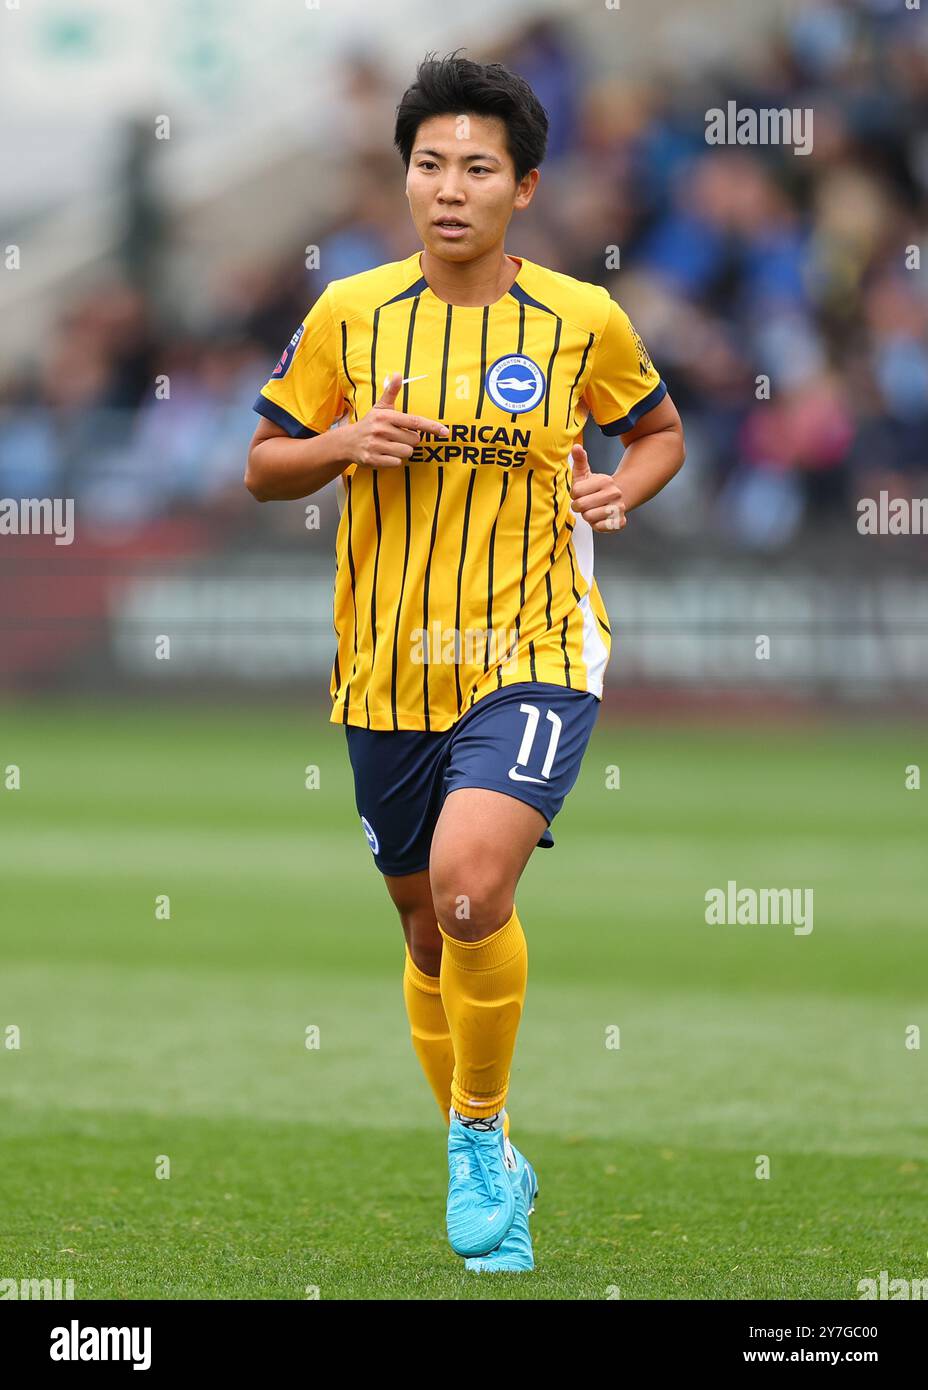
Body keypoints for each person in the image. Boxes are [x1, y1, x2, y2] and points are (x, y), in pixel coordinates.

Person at [245, 51, 685, 1273]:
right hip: (385, 665)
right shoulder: (350, 312)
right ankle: (478, 1127)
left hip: (533, 648)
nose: (448, 187)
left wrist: (619, 486)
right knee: (427, 934)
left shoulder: (579, 320)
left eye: (475, 167)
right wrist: (342, 439)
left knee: (467, 889)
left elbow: (657, 429)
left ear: (524, 186)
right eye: (429, 164)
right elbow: (261, 462)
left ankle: (477, 1134)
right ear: (406, 179)